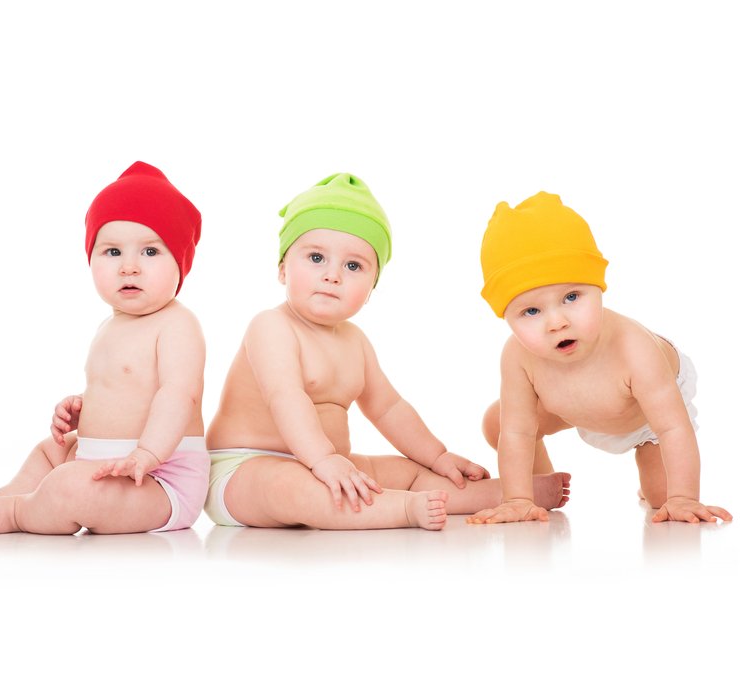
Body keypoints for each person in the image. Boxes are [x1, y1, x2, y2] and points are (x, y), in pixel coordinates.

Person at [204, 174, 571, 531]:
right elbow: (285, 397)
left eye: (353, 266)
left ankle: (509, 492)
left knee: (404, 470)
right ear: (283, 268)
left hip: (332, 464)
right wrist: (322, 460)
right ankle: (402, 509)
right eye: (316, 258)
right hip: (247, 469)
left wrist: (436, 456)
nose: (333, 275)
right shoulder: (270, 326)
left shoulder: (355, 342)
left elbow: (388, 408)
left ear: (372, 286)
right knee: (292, 488)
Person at [0, 161, 209, 534]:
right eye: (112, 252)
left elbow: (179, 394)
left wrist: (147, 454)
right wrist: (84, 407)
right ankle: (8, 493)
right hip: (102, 461)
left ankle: (18, 512)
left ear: (181, 261)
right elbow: (120, 392)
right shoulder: (108, 327)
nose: (129, 267)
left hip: (158, 480)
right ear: (91, 259)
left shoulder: (177, 324)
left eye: (150, 252)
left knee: (71, 486)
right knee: (51, 451)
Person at [468, 192, 732, 524]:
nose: (557, 322)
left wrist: (684, 498)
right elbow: (518, 432)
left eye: (572, 297)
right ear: (505, 316)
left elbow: (672, 427)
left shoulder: (634, 349)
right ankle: (541, 489)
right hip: (571, 401)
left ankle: (664, 488)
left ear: (598, 288)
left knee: (663, 497)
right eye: (531, 310)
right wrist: (516, 499)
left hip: (643, 415)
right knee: (501, 423)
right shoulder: (518, 356)